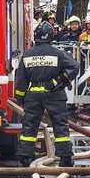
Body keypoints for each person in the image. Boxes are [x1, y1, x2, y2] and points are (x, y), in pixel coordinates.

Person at [14, 21, 79, 167]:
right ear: (51, 36)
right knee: (60, 125)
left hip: (33, 96)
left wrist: (20, 98)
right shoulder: (58, 53)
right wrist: (58, 81)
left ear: (36, 37)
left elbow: (21, 81)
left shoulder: (28, 55)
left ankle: (25, 156)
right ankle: (65, 158)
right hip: (54, 95)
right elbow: (74, 66)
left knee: (29, 126)